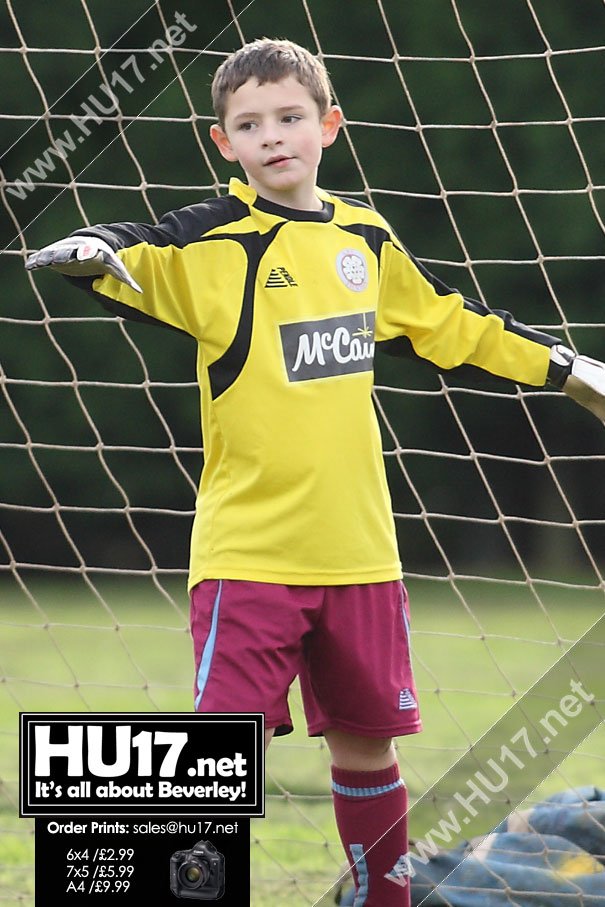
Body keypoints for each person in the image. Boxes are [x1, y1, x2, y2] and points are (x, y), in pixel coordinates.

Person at [24, 37, 605, 907]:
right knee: (216, 755)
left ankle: (382, 901)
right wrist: (90, 247)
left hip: (360, 559)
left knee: (368, 748)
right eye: (248, 124)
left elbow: (453, 322)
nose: (272, 136)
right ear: (223, 144)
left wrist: (568, 369)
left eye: (289, 117)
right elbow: (133, 246)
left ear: (328, 125)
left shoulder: (363, 238)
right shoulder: (212, 244)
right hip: (249, 557)